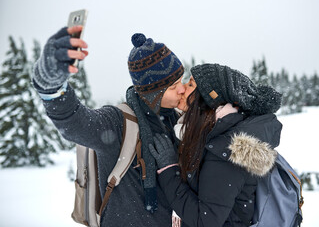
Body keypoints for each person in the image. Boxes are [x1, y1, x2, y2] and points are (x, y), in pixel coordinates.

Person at [32, 25, 188, 226]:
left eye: (182, 81)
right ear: (153, 93)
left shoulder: (178, 120)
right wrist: (50, 85)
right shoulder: (118, 122)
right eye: (173, 86)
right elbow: (74, 122)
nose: (182, 89)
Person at [149, 63, 283, 227]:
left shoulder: (225, 149)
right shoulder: (208, 134)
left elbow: (205, 220)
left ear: (208, 99)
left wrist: (169, 170)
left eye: (190, 84)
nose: (182, 89)